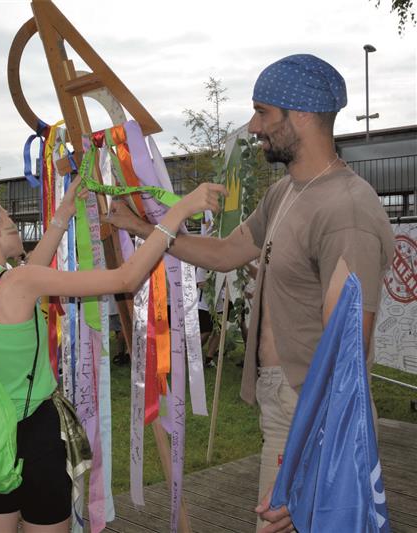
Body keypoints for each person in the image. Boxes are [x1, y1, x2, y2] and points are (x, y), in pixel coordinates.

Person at [104, 54, 395, 533]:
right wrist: (143, 227)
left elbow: (347, 350)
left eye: (263, 112)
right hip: (283, 400)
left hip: (315, 415)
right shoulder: (287, 191)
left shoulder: (347, 210)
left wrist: (310, 464)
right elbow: (225, 252)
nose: (254, 126)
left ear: (300, 114)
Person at [0, 181, 221, 533]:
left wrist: (64, 212)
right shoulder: (20, 283)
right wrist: (178, 212)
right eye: (8, 218)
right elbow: (126, 279)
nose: (14, 225)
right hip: (35, 435)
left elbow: (28, 274)